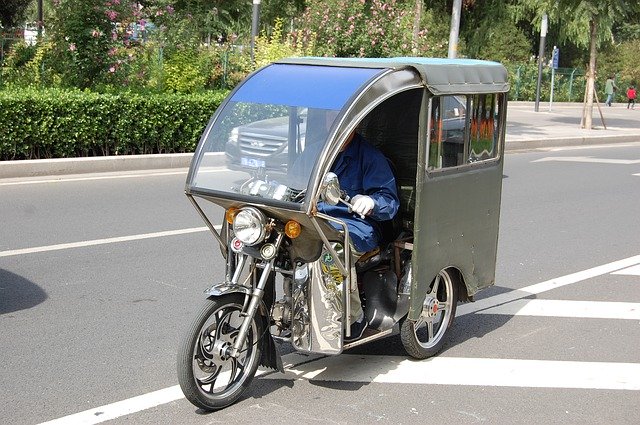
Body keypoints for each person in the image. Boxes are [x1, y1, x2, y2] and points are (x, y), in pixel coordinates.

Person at [317, 131, 400, 341]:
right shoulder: (318, 152)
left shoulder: (370, 157)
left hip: (355, 227)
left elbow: (389, 201)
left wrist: (371, 202)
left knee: (332, 251)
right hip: (316, 220)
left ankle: (352, 319)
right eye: (328, 117)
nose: (331, 123)